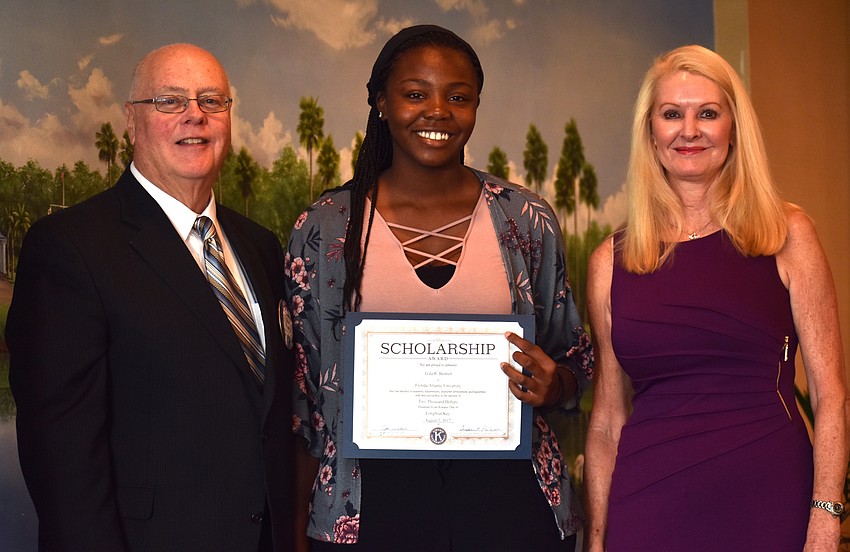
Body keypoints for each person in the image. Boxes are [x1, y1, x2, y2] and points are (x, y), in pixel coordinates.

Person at [284, 24, 593, 552]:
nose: (438, 111)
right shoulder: (325, 229)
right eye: (414, 94)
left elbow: (575, 362)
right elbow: (306, 398)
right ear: (381, 102)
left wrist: (555, 384)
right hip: (368, 510)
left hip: (509, 505)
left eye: (458, 97)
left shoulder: (524, 219)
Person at [6, 43, 295, 552]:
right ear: (131, 121)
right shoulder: (70, 248)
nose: (195, 116)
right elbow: (62, 465)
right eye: (170, 101)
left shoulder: (261, 246)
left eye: (212, 100)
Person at [583, 44, 847, 551]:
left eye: (707, 113)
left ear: (734, 128)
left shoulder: (787, 234)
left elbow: (831, 395)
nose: (689, 130)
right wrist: (596, 541)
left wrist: (826, 517)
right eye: (671, 114)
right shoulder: (609, 262)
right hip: (648, 503)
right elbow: (607, 421)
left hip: (769, 494)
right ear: (650, 133)